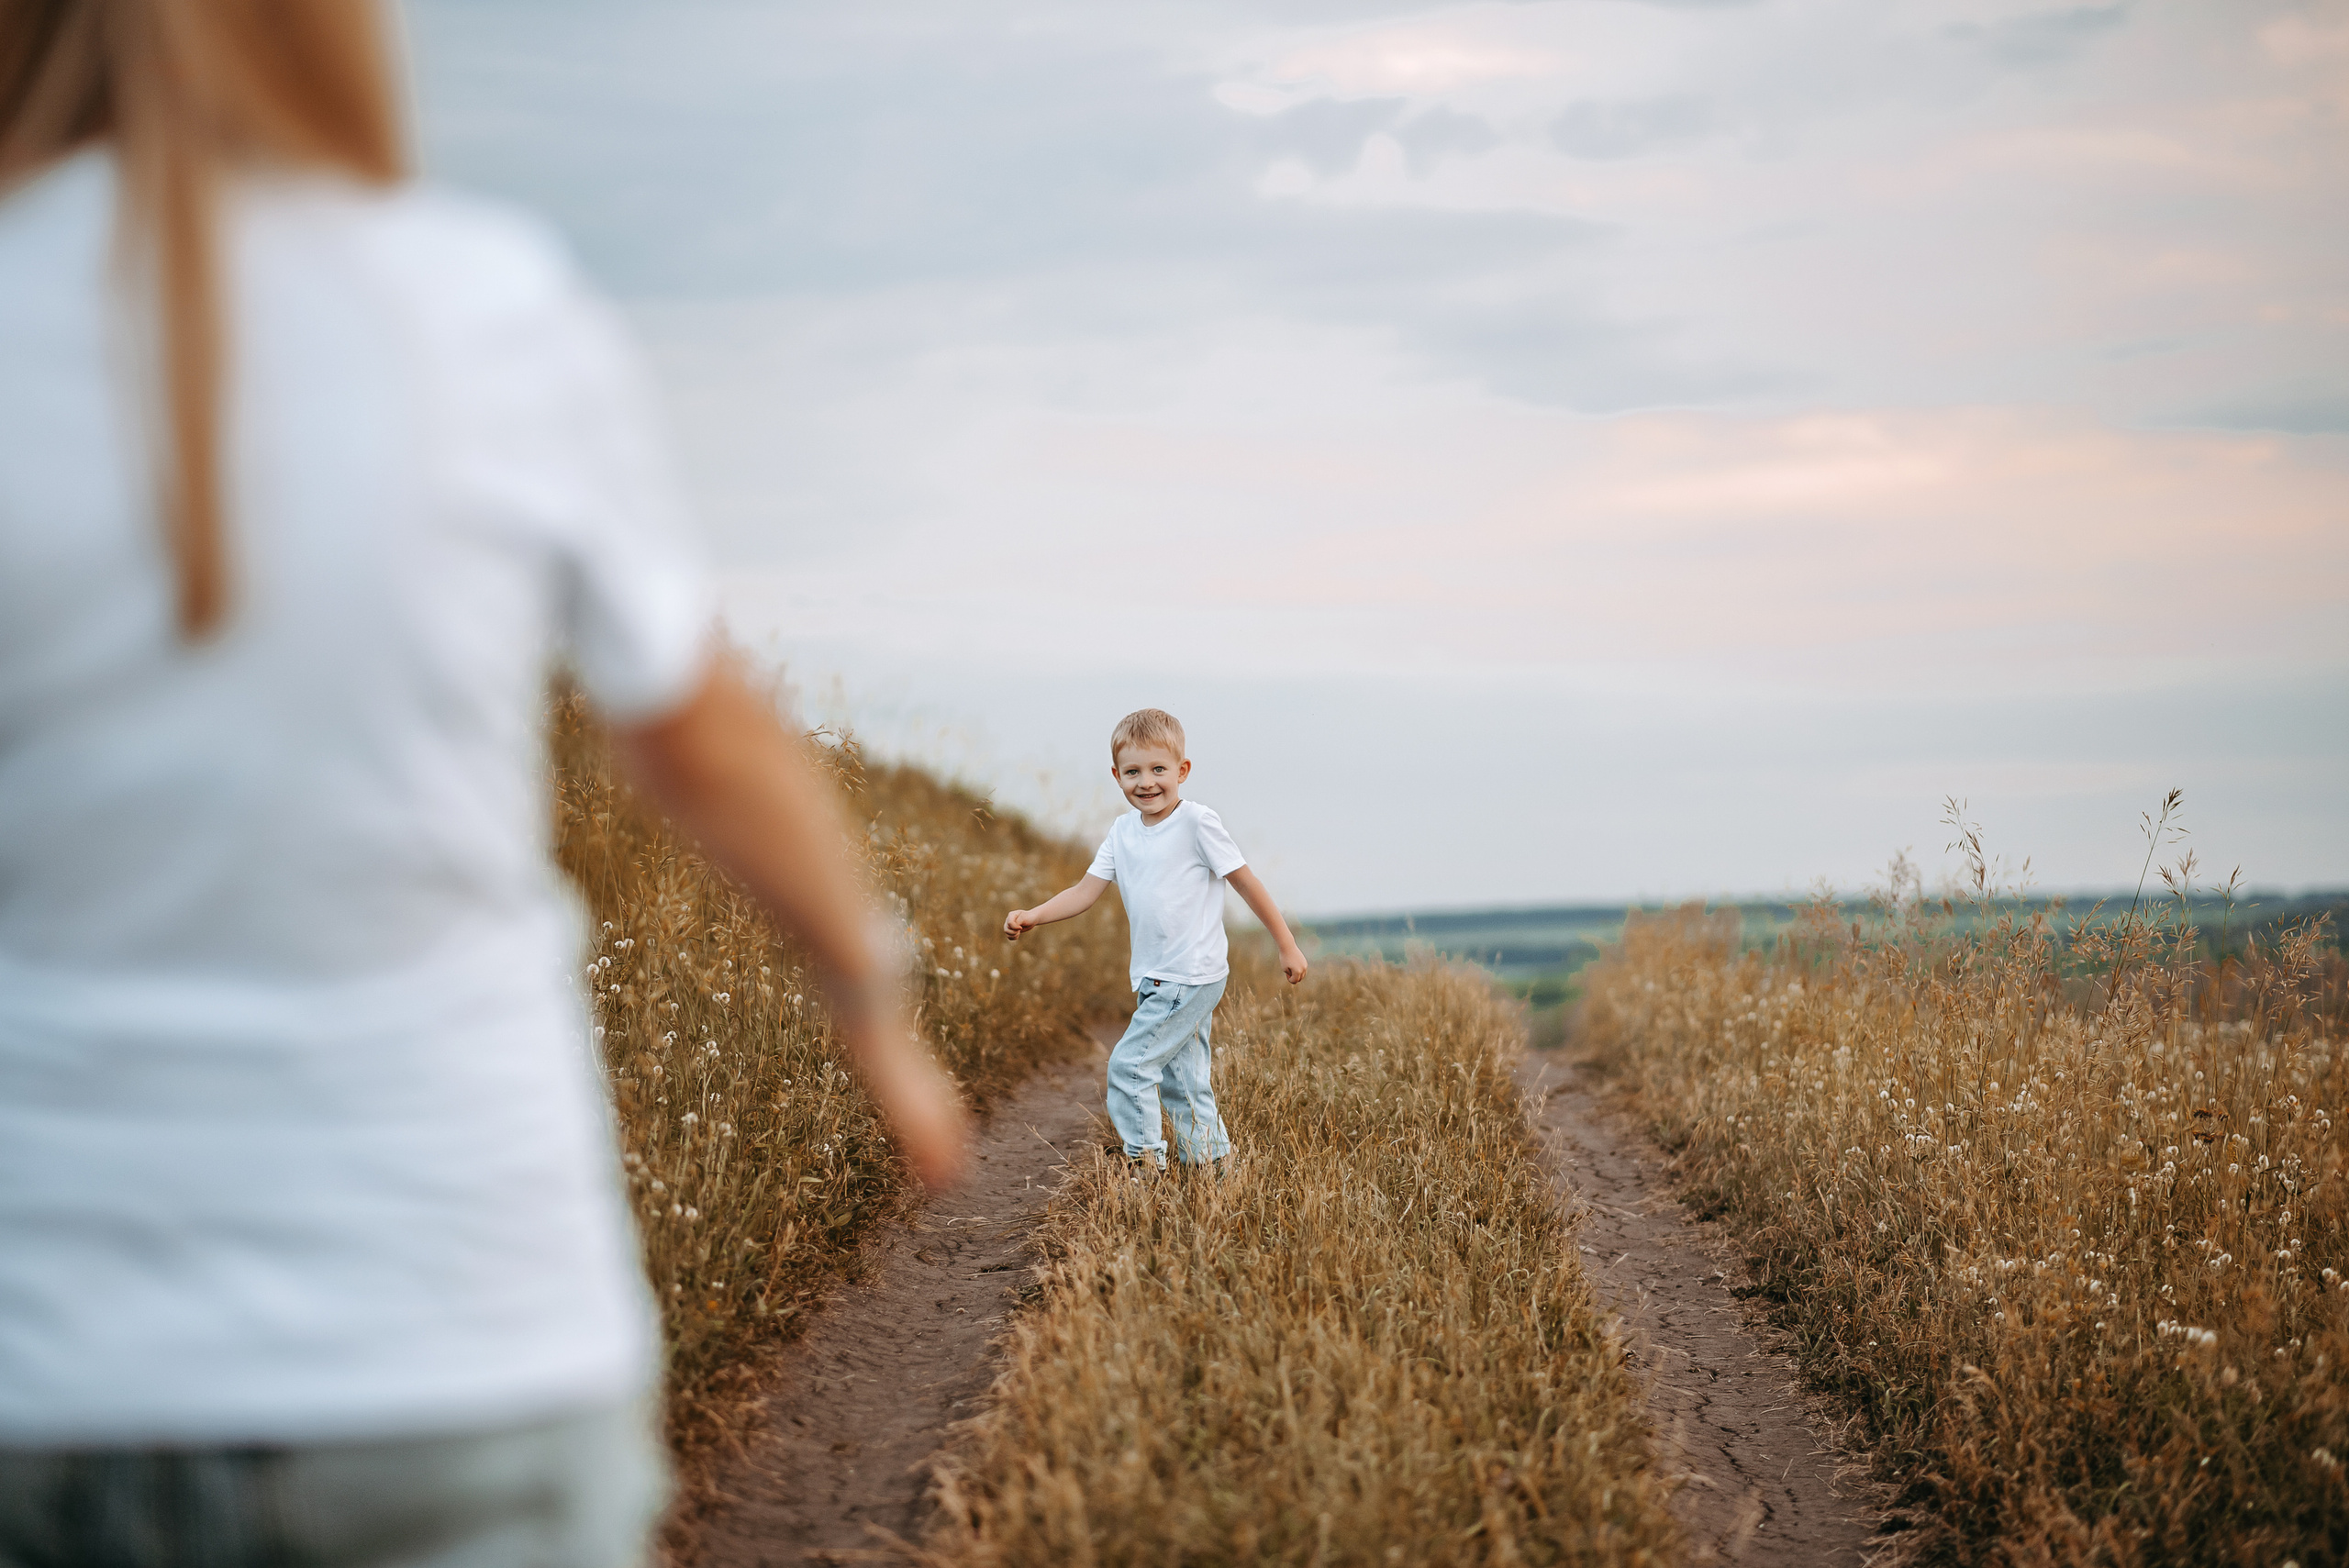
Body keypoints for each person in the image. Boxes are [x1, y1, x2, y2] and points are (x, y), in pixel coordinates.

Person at [0, 3, 967, 1562]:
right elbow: (703, 738)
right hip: (452, 1328)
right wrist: (871, 996)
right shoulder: (483, 302)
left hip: (42, 1364)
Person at [1002, 708, 1307, 1172]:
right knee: (1183, 1080)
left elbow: (1246, 882)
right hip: (1154, 976)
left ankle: (1145, 1163)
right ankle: (1210, 1166)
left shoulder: (1197, 823)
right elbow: (1085, 892)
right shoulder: (1122, 832)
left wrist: (1286, 943)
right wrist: (1035, 916)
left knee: (1130, 1067)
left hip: (1189, 974)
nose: (1146, 782)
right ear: (1116, 776)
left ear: (1182, 771)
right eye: (1133, 772)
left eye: (1158, 769)